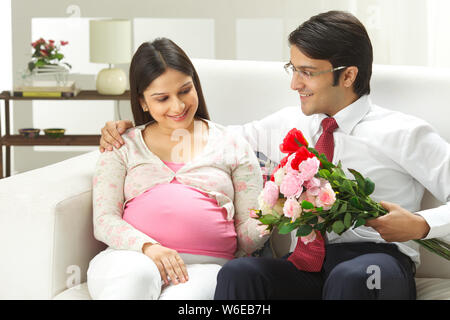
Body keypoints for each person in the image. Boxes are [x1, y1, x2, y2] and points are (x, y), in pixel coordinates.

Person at [98, 11, 450, 300]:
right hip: (306, 266)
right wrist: (134, 128)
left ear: (348, 75)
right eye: (292, 69)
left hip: (376, 262)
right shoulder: (286, 123)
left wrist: (421, 224)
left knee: (352, 277)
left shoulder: (405, 133)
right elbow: (211, 139)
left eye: (306, 72)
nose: (294, 84)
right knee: (239, 273)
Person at [88, 38, 268, 300]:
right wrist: (149, 248)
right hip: (132, 258)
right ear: (143, 102)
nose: (178, 106)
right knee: (138, 277)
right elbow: (104, 221)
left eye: (185, 90)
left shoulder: (231, 144)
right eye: (162, 98)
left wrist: (276, 212)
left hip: (206, 269)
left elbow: (247, 240)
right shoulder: (122, 144)